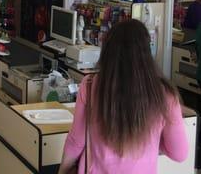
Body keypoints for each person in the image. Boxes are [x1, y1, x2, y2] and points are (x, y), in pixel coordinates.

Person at [58, 19, 188, 174]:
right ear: (147, 53)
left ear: (107, 52)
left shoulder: (90, 85)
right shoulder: (165, 95)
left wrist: (63, 170)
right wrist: (151, 137)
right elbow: (179, 154)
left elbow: (76, 141)